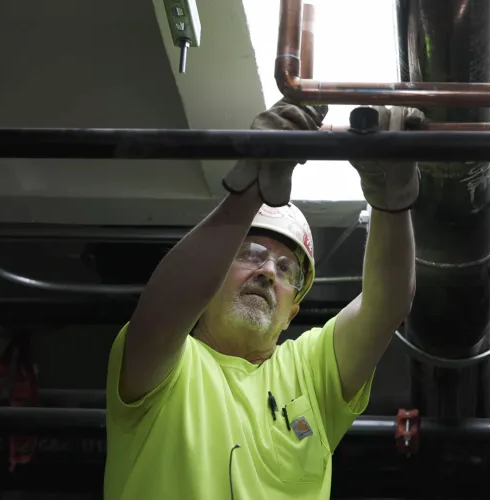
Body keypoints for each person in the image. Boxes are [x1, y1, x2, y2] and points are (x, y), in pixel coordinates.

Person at [103, 98, 422, 500]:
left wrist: (391, 203)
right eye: (251, 254)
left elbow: (386, 306)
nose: (269, 271)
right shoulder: (168, 365)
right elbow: (164, 306)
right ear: (212, 279)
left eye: (287, 268)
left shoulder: (307, 374)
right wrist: (252, 185)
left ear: (293, 312)